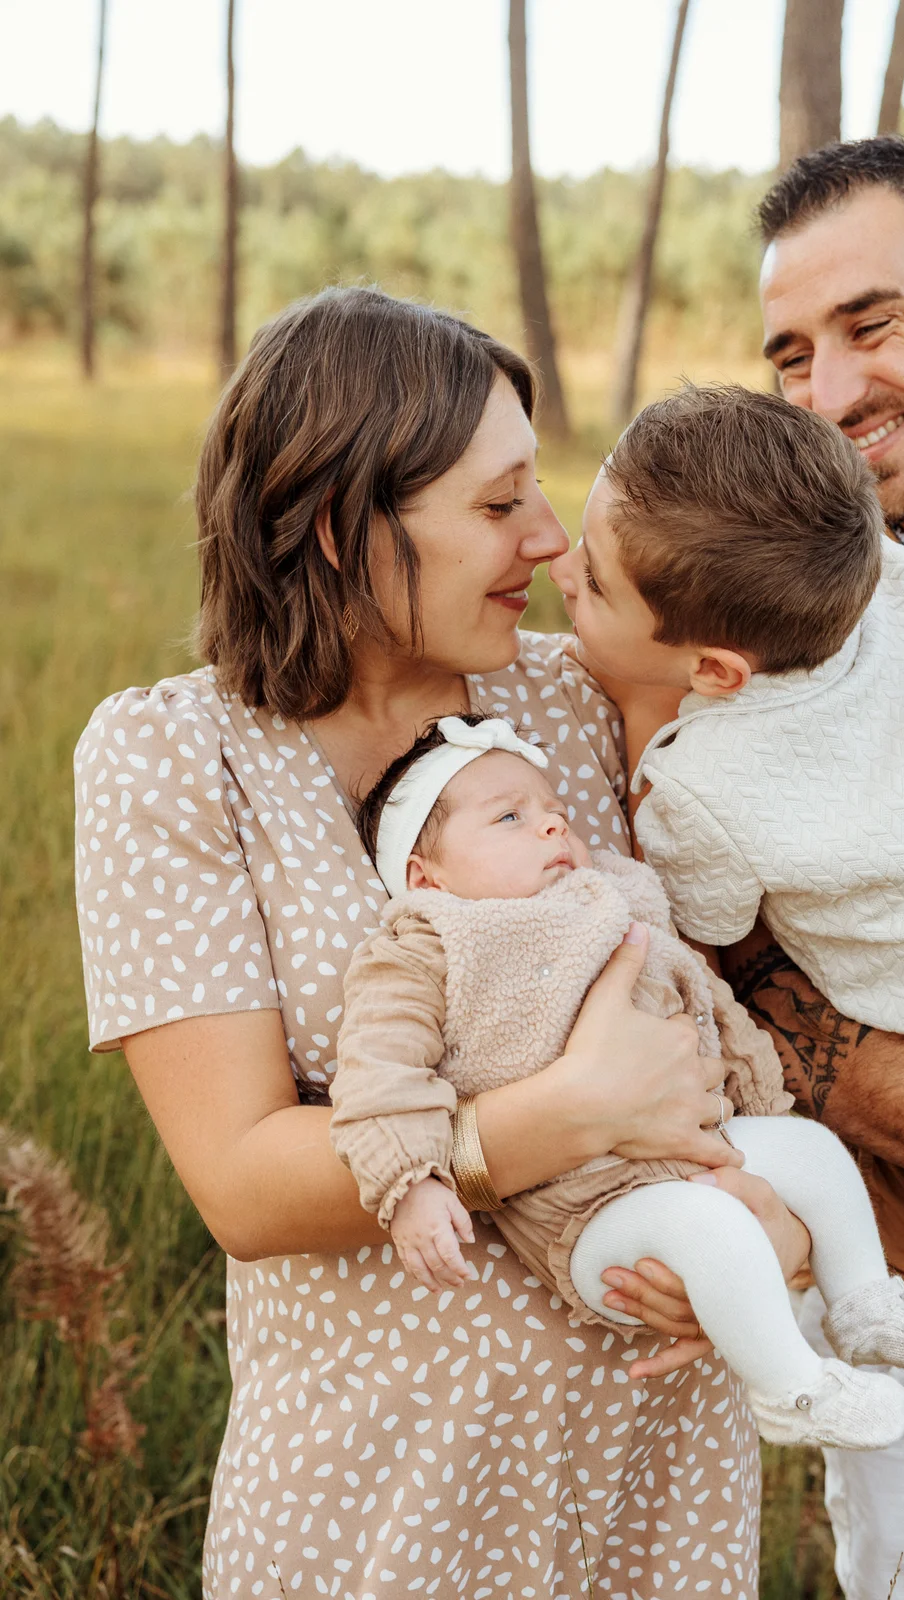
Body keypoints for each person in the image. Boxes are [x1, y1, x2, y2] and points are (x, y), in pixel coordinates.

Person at [73, 285, 810, 1597]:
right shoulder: (174, 759)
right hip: (389, 1489)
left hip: (651, 1469)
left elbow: (765, 1005)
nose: (546, 538)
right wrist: (569, 1114)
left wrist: (781, 1231)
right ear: (339, 524)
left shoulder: (585, 688)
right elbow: (242, 1182)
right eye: (495, 503)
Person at [584, 138, 904, 1599]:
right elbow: (755, 993)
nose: (832, 393)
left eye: (872, 325)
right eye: (790, 353)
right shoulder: (806, 585)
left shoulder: (804, 644)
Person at [328, 713, 904, 1450]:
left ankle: (862, 1301)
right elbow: (378, 1073)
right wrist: (411, 1183)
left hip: (692, 1141)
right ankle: (793, 1389)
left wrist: (756, 1104)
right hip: (585, 1210)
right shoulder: (425, 945)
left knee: (810, 1151)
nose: (553, 829)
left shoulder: (613, 904)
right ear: (422, 876)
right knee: (710, 1226)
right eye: (510, 817)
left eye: (556, 813)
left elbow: (705, 1000)